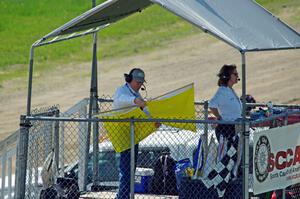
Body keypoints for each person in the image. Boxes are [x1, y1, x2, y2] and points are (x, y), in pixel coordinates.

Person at [113, 68, 153, 199]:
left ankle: (124, 195)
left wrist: (153, 119)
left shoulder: (136, 94)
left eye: (142, 83)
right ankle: (123, 196)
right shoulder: (122, 91)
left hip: (132, 135)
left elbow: (145, 110)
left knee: (131, 169)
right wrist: (136, 102)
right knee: (126, 169)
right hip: (122, 135)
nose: (140, 85)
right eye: (137, 82)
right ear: (129, 80)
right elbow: (121, 100)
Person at [209, 64, 242, 142]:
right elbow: (212, 105)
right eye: (235, 74)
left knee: (234, 152)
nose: (237, 76)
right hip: (226, 128)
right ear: (228, 76)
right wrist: (219, 117)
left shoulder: (229, 90)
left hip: (233, 128)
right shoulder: (223, 91)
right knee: (229, 153)